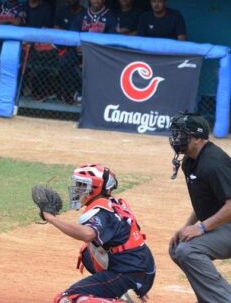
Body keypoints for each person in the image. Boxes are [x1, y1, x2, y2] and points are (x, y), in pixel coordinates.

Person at [43, 164, 156, 303]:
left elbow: (87, 234)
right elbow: (136, 242)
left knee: (67, 299)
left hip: (127, 272)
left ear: (96, 189)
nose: (77, 189)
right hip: (139, 267)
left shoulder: (103, 212)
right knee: (87, 252)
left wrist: (51, 218)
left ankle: (125, 297)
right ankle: (125, 291)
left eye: (82, 185)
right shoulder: (113, 204)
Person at [167, 112, 231, 303]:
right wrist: (187, 226)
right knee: (178, 246)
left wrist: (201, 227)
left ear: (197, 138)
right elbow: (204, 200)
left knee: (188, 250)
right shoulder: (191, 160)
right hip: (223, 224)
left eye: (182, 134)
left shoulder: (213, 163)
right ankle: (211, 298)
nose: (176, 139)